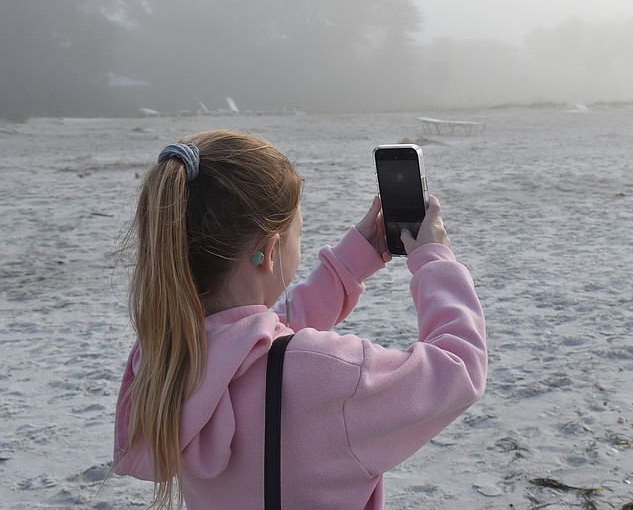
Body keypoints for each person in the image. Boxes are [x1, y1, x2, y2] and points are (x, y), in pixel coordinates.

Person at [112, 130, 487, 509]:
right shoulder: (327, 374)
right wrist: (436, 261)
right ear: (270, 252)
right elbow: (459, 367)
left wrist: (349, 263)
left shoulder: (165, 359)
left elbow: (261, 342)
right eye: (298, 232)